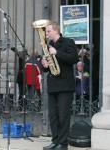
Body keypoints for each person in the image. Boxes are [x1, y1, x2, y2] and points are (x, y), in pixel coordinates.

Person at [41, 22, 78, 150]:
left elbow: (74, 58)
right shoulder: (48, 46)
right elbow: (47, 68)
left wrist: (56, 53)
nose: (46, 34)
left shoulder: (68, 42)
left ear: (56, 31)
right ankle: (55, 141)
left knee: (63, 115)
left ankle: (63, 143)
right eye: (46, 32)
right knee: (53, 116)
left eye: (48, 31)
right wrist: (44, 64)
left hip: (65, 85)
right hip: (53, 85)